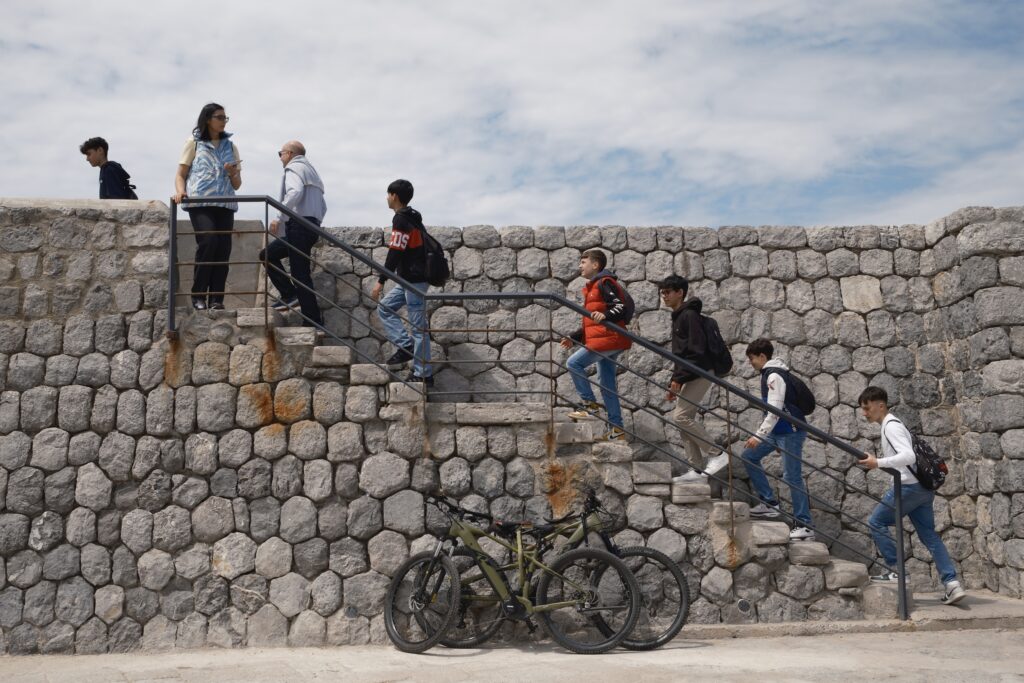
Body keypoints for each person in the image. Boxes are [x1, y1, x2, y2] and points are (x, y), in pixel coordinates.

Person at [858, 386, 966, 605]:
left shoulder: (890, 426)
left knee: (876, 522)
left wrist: (877, 463)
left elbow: (907, 456)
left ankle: (896, 570)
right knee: (930, 538)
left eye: (867, 408)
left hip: (908, 488)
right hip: (922, 490)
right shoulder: (892, 424)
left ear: (881, 405)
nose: (865, 413)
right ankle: (952, 584)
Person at [740, 338, 815, 541]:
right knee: (748, 456)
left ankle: (805, 525)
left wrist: (758, 435)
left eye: (752, 358)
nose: (751, 363)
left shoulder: (773, 376)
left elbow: (774, 410)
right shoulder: (770, 374)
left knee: (792, 476)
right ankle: (769, 503)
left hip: (790, 432)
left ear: (763, 356)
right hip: (778, 432)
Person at [173, 103, 241, 311]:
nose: (223, 121)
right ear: (208, 119)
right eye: (220, 117)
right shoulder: (193, 142)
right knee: (208, 241)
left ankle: (217, 300)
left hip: (225, 204)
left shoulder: (231, 146)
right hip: (199, 202)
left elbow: (237, 184)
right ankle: (199, 295)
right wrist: (180, 191)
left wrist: (231, 173)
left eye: (225, 118)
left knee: (223, 250)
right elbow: (180, 174)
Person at [660, 276, 729, 482]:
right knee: (683, 419)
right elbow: (680, 356)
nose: (664, 297)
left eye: (668, 292)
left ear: (680, 292)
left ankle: (717, 454)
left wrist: (679, 378)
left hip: (701, 370)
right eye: (662, 293)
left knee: (680, 417)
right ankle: (697, 470)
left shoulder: (689, 316)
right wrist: (676, 380)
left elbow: (696, 351)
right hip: (691, 372)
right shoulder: (679, 316)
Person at [561, 250, 631, 442]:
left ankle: (589, 405)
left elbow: (619, 307)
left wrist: (606, 315)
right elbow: (591, 322)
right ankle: (617, 430)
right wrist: (574, 337)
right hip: (607, 339)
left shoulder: (605, 282)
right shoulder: (592, 287)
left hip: (608, 340)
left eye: (583, 262)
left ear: (595, 265)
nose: (580, 266)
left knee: (573, 363)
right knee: (607, 385)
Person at [371, 179, 433, 385]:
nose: (387, 198)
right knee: (386, 308)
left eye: (388, 194)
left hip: (415, 281)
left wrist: (380, 281)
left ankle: (423, 374)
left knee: (418, 328)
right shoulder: (413, 217)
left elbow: (395, 252)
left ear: (394, 196)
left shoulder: (401, 220)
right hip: (408, 280)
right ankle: (406, 347)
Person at [259, 141, 327, 326]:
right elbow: (323, 206)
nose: (280, 157)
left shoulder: (293, 168)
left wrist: (278, 217)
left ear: (289, 153)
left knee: (300, 274)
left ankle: (311, 320)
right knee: (268, 255)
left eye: (280, 153)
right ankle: (291, 296)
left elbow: (294, 192)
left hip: (299, 226)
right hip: (311, 226)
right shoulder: (313, 173)